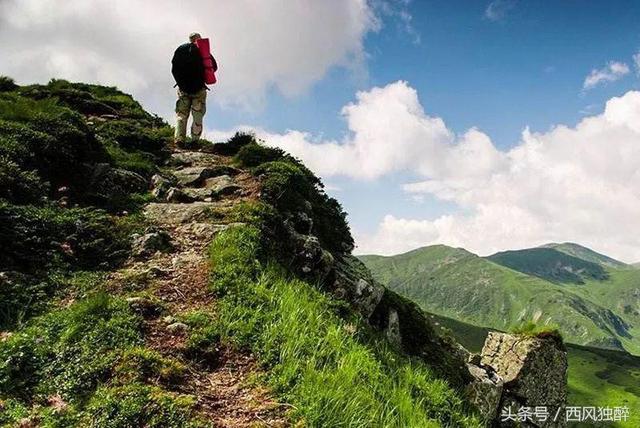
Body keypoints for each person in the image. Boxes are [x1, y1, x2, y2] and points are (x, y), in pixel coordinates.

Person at [171, 32, 217, 145]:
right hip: (199, 89)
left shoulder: (181, 49)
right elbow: (214, 67)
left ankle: (179, 139)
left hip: (183, 89)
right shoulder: (203, 50)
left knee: (181, 115)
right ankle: (194, 140)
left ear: (190, 39)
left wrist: (180, 82)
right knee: (197, 115)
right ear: (199, 39)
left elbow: (174, 67)